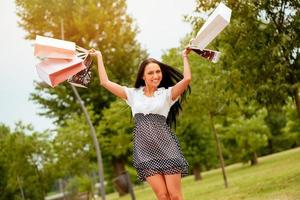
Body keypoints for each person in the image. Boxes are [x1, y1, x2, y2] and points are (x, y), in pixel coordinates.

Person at [90, 48, 192, 200]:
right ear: (143, 76)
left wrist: (184, 56)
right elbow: (105, 82)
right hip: (145, 153)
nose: (156, 75)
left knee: (175, 196)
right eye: (150, 73)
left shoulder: (166, 94)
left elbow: (187, 79)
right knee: (163, 196)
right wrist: (99, 57)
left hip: (166, 149)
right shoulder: (133, 94)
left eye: (158, 72)